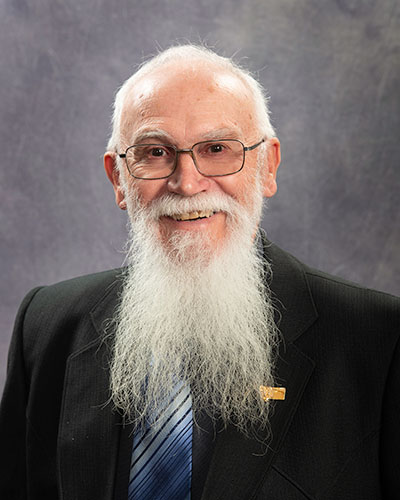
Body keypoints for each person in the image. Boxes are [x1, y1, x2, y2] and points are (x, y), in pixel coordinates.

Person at [0, 45, 399, 500]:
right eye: (155, 152)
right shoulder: (48, 325)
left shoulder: (379, 340)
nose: (186, 183)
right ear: (118, 179)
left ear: (266, 166)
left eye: (216, 149)